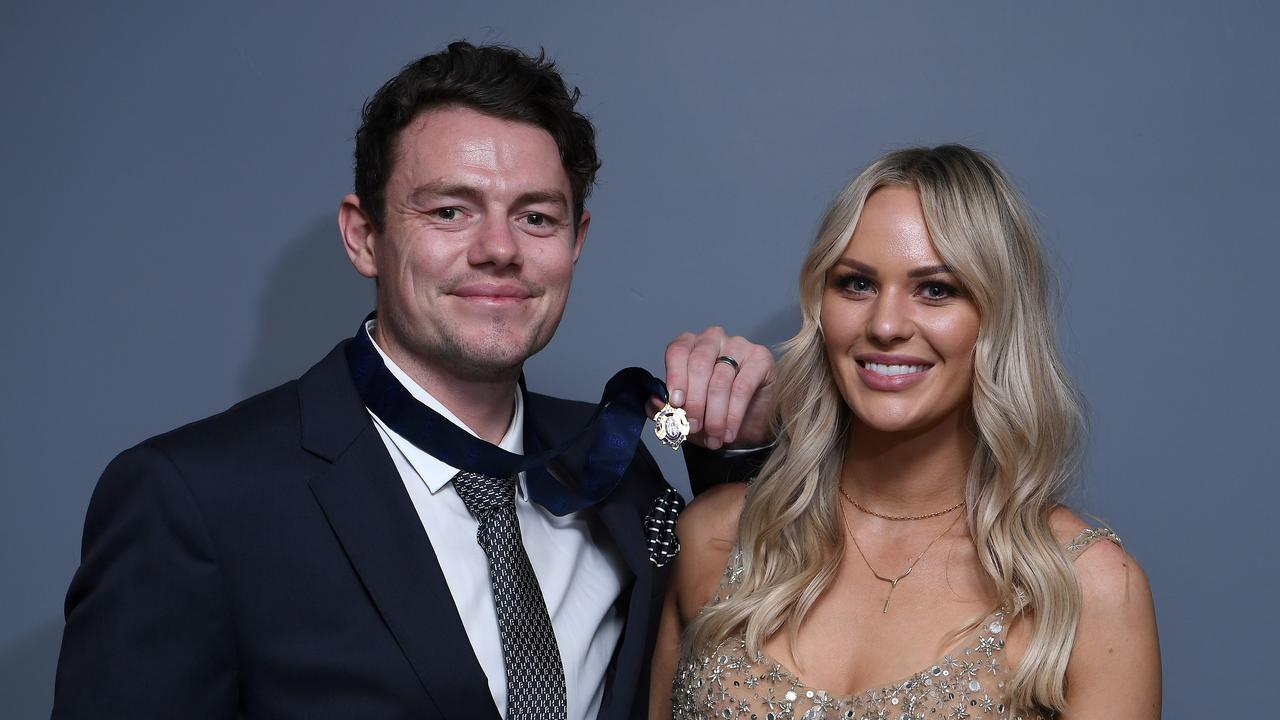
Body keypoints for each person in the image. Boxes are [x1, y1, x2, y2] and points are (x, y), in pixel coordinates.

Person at [52, 42, 776, 720]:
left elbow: (742, 627)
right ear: (363, 236)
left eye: (535, 216)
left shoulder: (617, 465)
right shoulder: (193, 499)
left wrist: (735, 451)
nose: (499, 249)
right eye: (450, 211)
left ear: (575, 241)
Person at [652, 145, 1161, 719]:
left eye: (936, 289)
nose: (886, 325)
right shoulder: (715, 537)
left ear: (997, 317)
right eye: (857, 284)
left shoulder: (1087, 589)